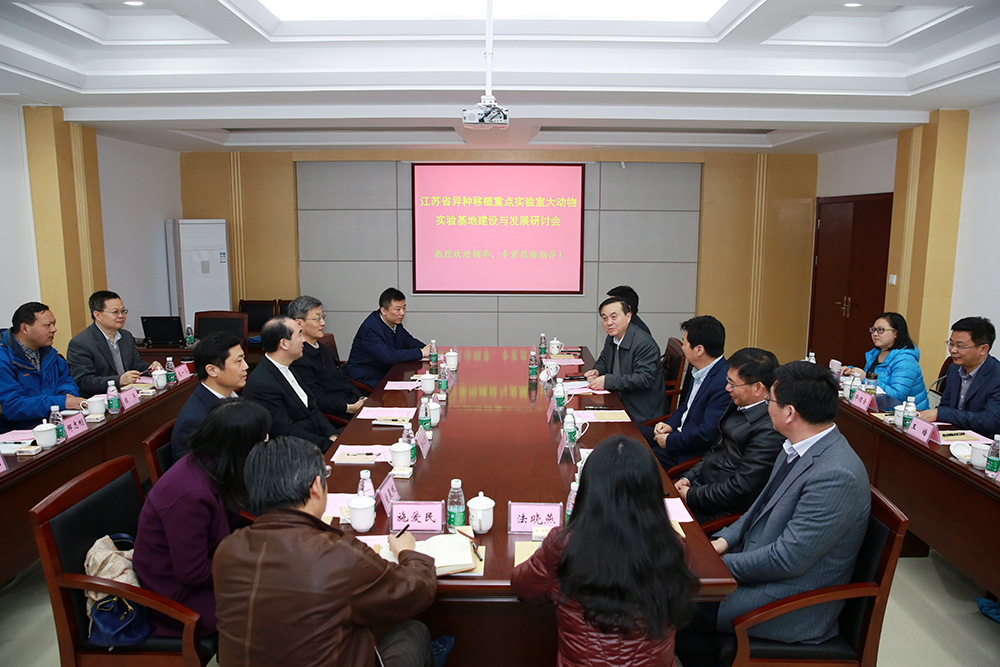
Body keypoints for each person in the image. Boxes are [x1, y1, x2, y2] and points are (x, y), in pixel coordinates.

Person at [675, 361, 870, 667]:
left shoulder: (836, 474)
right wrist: (721, 542)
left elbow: (787, 559)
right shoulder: (797, 445)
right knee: (666, 592)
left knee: (666, 604)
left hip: (789, 599)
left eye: (770, 400)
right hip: (758, 569)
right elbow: (758, 509)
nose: (767, 407)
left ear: (789, 412)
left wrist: (715, 566)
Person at [213, 435, 438, 667]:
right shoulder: (337, 554)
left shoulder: (227, 551)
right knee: (413, 631)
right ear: (316, 487)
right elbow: (415, 591)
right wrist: (408, 553)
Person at [511, 435, 698, 667]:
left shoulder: (564, 545)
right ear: (652, 493)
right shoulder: (673, 548)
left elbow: (523, 587)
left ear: (590, 490)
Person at [134, 398, 270, 638]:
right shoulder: (191, 495)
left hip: (211, 564)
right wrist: (246, 568)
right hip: (177, 594)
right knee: (278, 601)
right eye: (262, 440)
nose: (267, 444)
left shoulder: (216, 464)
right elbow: (192, 571)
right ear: (241, 446)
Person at [675, 347, 785, 524]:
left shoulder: (768, 430)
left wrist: (692, 495)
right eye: (728, 381)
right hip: (701, 492)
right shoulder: (738, 406)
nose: (727, 388)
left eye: (733, 384)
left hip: (716, 513)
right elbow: (714, 451)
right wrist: (688, 477)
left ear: (758, 388)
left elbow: (740, 490)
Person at [243, 317, 339, 452]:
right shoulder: (263, 384)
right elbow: (287, 432)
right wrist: (329, 445)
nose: (304, 340)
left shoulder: (289, 366)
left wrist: (333, 435)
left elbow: (312, 408)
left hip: (320, 440)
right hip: (298, 452)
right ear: (284, 344)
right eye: (299, 335)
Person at [652, 316, 730, 471]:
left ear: (699, 350)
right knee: (631, 435)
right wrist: (669, 424)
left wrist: (670, 441)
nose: (682, 348)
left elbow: (707, 434)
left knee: (635, 460)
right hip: (679, 434)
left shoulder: (723, 382)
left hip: (690, 451)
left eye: (685, 343)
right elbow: (685, 407)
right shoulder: (700, 370)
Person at [585, 297, 665, 435]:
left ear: (628, 317)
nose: (609, 323)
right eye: (605, 318)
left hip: (640, 409)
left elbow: (644, 378)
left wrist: (608, 381)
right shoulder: (613, 336)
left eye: (614, 317)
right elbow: (604, 359)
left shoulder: (643, 343)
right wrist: (597, 371)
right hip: (619, 399)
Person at [0, 302, 84, 431]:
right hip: (22, 432)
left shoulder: (49, 353)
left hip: (55, 423)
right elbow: (12, 406)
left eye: (54, 324)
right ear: (24, 328)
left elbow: (66, 381)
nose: (54, 329)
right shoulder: (4, 360)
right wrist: (61, 402)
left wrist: (67, 396)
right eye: (47, 325)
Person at [67, 290, 162, 396]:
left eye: (123, 311)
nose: (121, 316)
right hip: (102, 398)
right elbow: (84, 381)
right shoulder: (81, 343)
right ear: (97, 315)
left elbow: (136, 364)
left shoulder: (126, 336)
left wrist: (151, 368)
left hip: (128, 394)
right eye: (115, 312)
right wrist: (119, 380)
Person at [170, 331, 248, 461]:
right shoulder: (196, 421)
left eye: (243, 359)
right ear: (212, 370)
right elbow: (206, 469)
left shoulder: (234, 397)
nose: (246, 366)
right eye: (238, 361)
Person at [288, 295, 367, 421]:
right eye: (317, 319)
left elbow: (341, 378)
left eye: (322, 317)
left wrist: (361, 398)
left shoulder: (321, 347)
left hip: (352, 402)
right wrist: (349, 408)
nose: (323, 323)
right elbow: (316, 398)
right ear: (299, 323)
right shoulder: (298, 358)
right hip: (338, 414)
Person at [919, 316, 1000, 434]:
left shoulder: (996, 376)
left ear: (983, 349)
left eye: (960, 346)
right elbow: (945, 406)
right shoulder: (954, 368)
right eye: (951, 344)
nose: (953, 350)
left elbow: (990, 421)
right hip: (953, 436)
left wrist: (943, 414)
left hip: (983, 441)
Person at [344, 288, 429, 387]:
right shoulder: (369, 329)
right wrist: (421, 352)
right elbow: (389, 356)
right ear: (383, 311)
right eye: (397, 309)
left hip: (384, 372)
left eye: (404, 308)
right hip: (365, 378)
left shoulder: (395, 322)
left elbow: (407, 340)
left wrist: (426, 348)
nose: (402, 313)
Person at [842, 311, 928, 409]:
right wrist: (851, 372)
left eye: (880, 330)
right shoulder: (875, 353)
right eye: (873, 330)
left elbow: (896, 397)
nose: (875, 334)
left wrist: (866, 378)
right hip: (879, 408)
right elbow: (867, 379)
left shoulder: (906, 360)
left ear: (896, 333)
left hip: (904, 413)